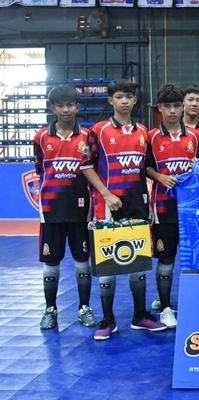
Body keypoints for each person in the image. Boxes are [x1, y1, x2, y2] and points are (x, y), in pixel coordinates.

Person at [81, 79, 167, 340]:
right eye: (119, 97)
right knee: (108, 264)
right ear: (111, 100)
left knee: (138, 263)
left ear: (135, 100)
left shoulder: (143, 132)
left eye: (129, 97)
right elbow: (86, 166)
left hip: (137, 204)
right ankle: (108, 319)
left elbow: (146, 167)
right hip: (108, 206)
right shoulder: (98, 130)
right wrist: (106, 194)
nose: (125, 101)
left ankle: (140, 316)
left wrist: (149, 199)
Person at [33, 85, 97, 330]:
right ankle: (50, 309)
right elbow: (40, 169)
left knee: (82, 259)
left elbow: (91, 169)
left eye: (70, 105)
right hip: (51, 211)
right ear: (53, 108)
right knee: (51, 262)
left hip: (80, 211)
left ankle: (84, 308)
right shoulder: (41, 137)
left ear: (78, 107)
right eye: (60, 105)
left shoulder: (87, 136)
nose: (65, 109)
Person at [146, 83, 199, 328]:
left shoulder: (195, 137)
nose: (172, 110)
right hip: (163, 208)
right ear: (159, 107)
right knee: (166, 258)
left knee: (194, 256)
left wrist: (196, 168)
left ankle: (194, 303)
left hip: (191, 209)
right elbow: (144, 167)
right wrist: (159, 177)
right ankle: (166, 307)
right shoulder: (150, 137)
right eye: (167, 106)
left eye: (176, 105)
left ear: (182, 107)